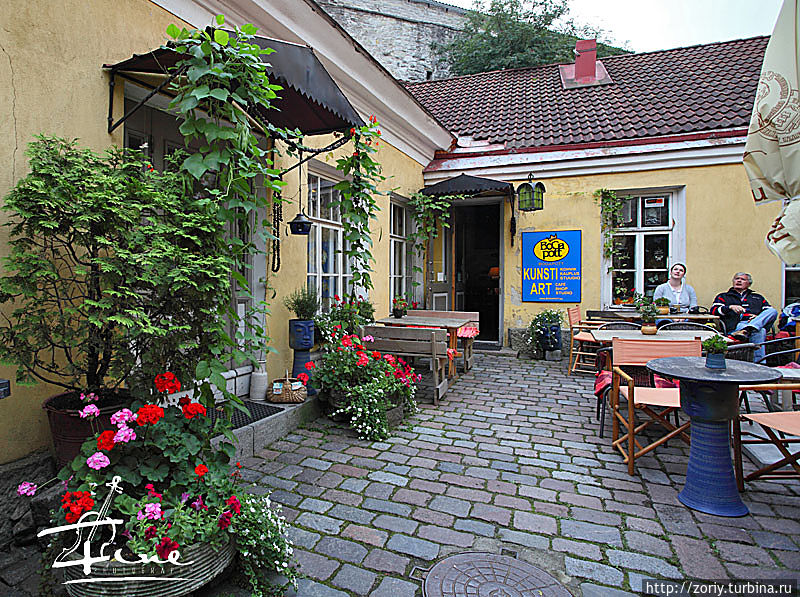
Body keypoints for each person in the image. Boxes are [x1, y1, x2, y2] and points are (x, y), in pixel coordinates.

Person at [711, 272, 777, 361]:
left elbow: (768, 312)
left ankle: (749, 328)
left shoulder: (757, 297)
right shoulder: (723, 296)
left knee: (772, 311)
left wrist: (757, 317)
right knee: (760, 331)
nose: (739, 281)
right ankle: (759, 362)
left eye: (742, 279)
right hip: (737, 326)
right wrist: (730, 307)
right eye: (737, 279)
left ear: (749, 283)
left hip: (754, 324)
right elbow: (714, 311)